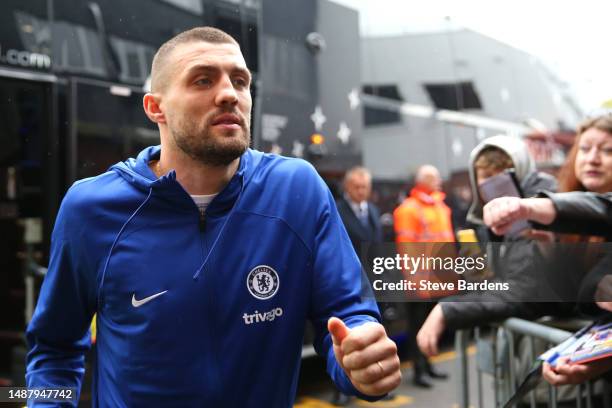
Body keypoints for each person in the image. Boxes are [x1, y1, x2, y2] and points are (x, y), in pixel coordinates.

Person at [25, 27, 401, 407]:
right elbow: (53, 348)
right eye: (203, 80)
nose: (229, 94)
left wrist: (360, 359)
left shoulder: (298, 189)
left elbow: (347, 313)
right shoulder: (90, 207)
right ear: (156, 107)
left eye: (240, 81)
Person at [417, 135, 560, 357]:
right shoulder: (483, 222)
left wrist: (448, 309)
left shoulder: (540, 208)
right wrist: (474, 274)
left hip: (549, 346)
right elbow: (492, 284)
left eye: (502, 175)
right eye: (485, 176)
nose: (493, 185)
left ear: (520, 173)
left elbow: (523, 290)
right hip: (517, 345)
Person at [393, 164, 452, 388]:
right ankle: (418, 370)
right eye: (433, 177)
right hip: (420, 282)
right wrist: (416, 282)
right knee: (417, 327)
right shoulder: (408, 210)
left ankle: (428, 365)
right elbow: (407, 250)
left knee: (431, 325)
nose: (438, 181)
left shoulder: (440, 206)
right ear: (422, 181)